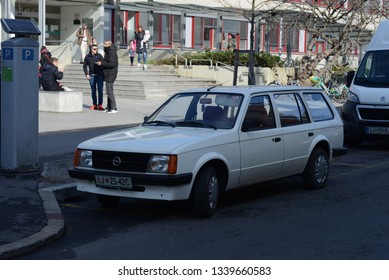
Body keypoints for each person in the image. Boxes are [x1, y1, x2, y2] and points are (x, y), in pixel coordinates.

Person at [96, 40, 119, 113]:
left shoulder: (111, 52)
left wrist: (102, 63)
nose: (104, 45)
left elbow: (112, 64)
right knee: (108, 91)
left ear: (109, 45)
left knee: (109, 91)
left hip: (111, 74)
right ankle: (109, 107)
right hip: (108, 74)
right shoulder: (108, 51)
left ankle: (113, 108)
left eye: (105, 44)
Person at [83, 44, 104, 110]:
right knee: (93, 91)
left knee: (100, 91)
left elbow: (104, 63)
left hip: (100, 75)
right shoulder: (87, 57)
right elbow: (84, 66)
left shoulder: (99, 56)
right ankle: (94, 104)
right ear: (91, 50)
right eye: (94, 49)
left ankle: (100, 105)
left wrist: (101, 63)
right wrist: (86, 74)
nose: (96, 50)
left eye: (97, 49)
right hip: (92, 76)